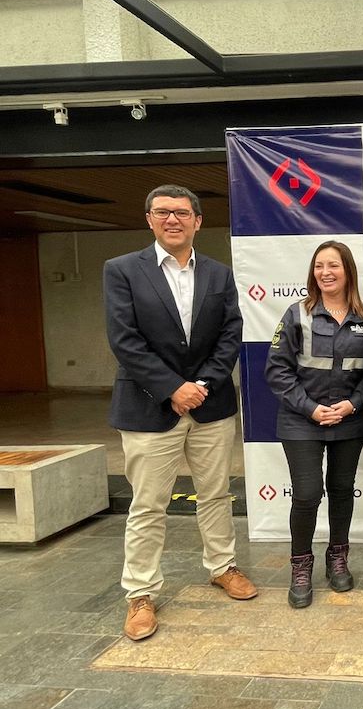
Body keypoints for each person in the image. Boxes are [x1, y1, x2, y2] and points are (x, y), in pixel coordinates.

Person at [103, 184, 256, 642]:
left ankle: (222, 567)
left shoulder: (219, 274)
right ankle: (141, 593)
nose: (173, 219)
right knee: (148, 505)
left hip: (210, 405)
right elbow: (124, 339)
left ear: (198, 221)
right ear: (149, 218)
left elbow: (231, 333)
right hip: (149, 407)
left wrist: (201, 385)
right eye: (163, 212)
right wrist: (172, 388)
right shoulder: (122, 270)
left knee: (214, 494)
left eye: (183, 213)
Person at [265, 241, 363, 609]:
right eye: (319, 267)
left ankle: (337, 557)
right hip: (302, 421)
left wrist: (353, 404)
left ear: (348, 272)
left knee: (342, 490)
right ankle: (300, 566)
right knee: (308, 493)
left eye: (334, 266)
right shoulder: (297, 314)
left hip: (348, 421)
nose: (326, 273)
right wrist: (311, 409)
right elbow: (277, 371)